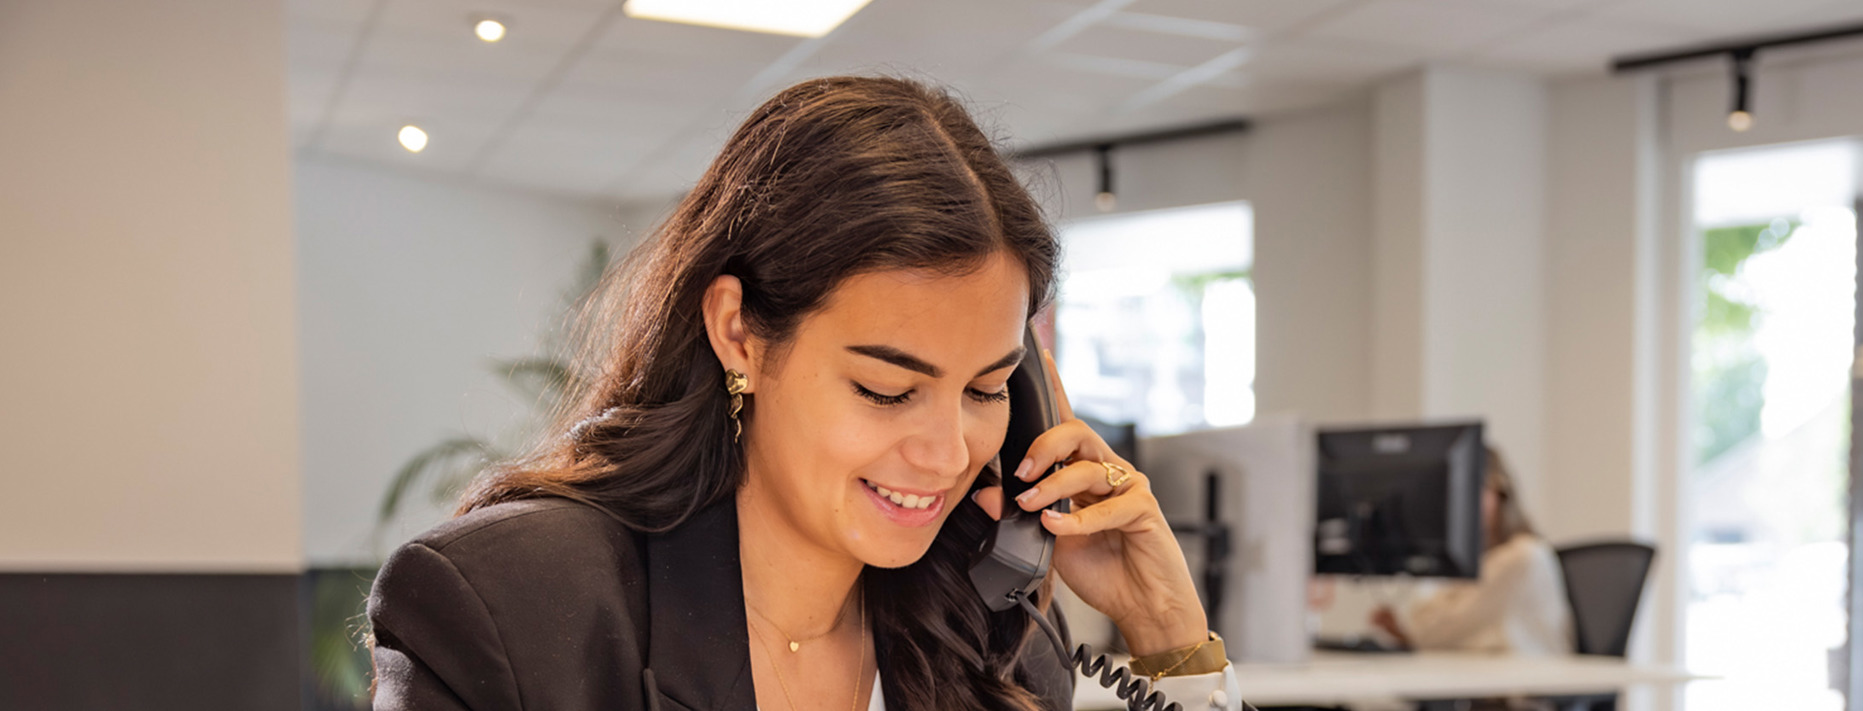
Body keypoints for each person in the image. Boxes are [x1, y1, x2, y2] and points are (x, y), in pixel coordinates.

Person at [366, 76, 1242, 710]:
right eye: (887, 389)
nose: (946, 453)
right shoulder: (511, 606)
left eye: (986, 388)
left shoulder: (986, 636)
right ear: (739, 331)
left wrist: (1170, 636)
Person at [1369, 448, 1574, 657]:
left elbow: (1434, 631)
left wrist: (1409, 629)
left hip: (1525, 685)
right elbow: (1426, 622)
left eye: (1472, 488)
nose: (1458, 502)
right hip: (1482, 677)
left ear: (1499, 491)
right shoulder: (1473, 561)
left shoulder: (1525, 555)